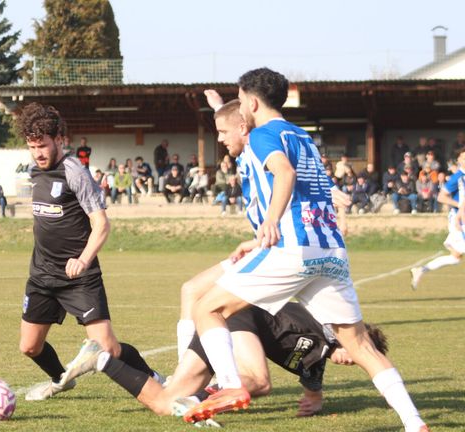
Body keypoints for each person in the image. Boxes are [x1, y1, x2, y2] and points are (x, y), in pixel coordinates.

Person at [184, 69, 427, 432]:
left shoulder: (265, 134)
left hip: (292, 248)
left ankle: (232, 386)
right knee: (361, 346)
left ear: (251, 102)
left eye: (240, 99)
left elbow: (284, 174)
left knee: (206, 306)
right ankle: (414, 422)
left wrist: (270, 220)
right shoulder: (302, 136)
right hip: (330, 250)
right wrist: (218, 105)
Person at [16, 102, 160, 402]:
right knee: (29, 346)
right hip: (42, 274)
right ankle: (60, 379)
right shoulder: (34, 171)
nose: (38, 153)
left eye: (42, 146)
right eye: (32, 147)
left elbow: (101, 224)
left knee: (108, 348)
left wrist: (83, 259)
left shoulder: (74, 172)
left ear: (59, 139)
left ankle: (158, 380)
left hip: (79, 277)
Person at [60, 301, 388, 422]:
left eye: (359, 362)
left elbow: (314, 391)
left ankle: (101, 360)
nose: (353, 360)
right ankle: (207, 399)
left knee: (165, 403)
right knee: (259, 382)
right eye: (358, 351)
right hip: (235, 318)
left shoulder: (316, 362)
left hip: (219, 329)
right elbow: (333, 328)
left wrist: (314, 402)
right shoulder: (329, 328)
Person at [410, 148, 465, 289]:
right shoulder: (457, 177)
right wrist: (459, 206)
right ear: (458, 160)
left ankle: (420, 270)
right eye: (463, 158)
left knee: (455, 258)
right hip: (459, 220)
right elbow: (441, 197)